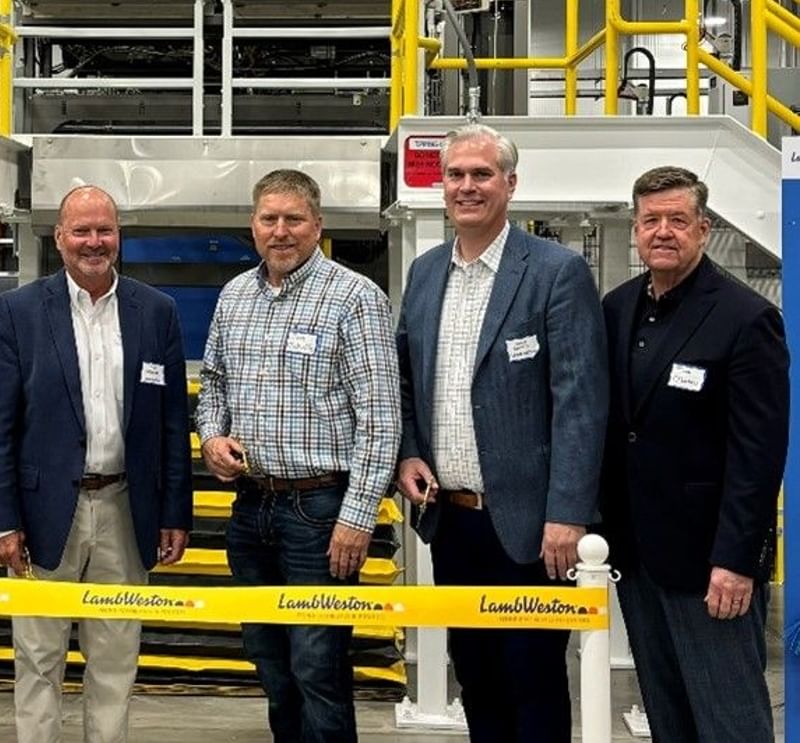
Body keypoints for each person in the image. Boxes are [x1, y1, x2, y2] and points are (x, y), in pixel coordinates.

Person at [393, 123, 607, 742]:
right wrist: (408, 452)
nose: (467, 186)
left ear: (510, 184)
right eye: (455, 175)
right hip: (452, 520)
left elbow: (580, 402)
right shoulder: (427, 273)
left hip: (533, 526)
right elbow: (407, 382)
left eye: (481, 174)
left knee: (533, 679)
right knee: (478, 675)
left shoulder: (554, 272)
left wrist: (568, 514)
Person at [0, 185, 193, 743]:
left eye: (105, 230)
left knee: (116, 660)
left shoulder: (157, 312)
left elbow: (171, 425)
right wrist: (2, 521)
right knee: (39, 657)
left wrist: (175, 512)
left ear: (119, 236)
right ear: (60, 238)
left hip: (126, 509)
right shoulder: (19, 312)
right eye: (82, 231)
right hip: (42, 513)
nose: (94, 242)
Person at [195, 168, 402, 743]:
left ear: (318, 225)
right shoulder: (235, 295)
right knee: (271, 664)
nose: (280, 231)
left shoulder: (355, 297)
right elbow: (213, 384)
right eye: (269, 219)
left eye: (293, 219)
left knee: (319, 668)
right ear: (252, 225)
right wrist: (212, 437)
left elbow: (381, 420)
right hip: (251, 508)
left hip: (322, 512)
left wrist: (357, 519)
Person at [599, 166, 787, 743]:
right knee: (667, 715)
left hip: (711, 565)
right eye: (650, 220)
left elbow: (758, 456)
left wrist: (735, 561)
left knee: (730, 720)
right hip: (638, 556)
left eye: (677, 220)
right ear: (635, 228)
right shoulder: (617, 307)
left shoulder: (747, 317)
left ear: (703, 229)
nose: (662, 232)